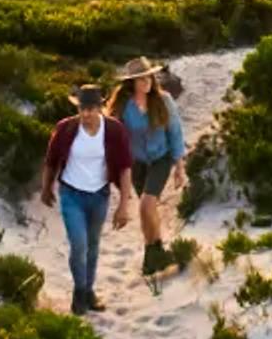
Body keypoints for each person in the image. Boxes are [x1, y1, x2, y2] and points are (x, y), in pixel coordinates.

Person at [37, 79, 132, 314]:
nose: (86, 113)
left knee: (93, 245)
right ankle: (79, 292)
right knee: (78, 245)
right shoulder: (66, 128)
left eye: (91, 108)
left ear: (100, 107)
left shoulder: (114, 130)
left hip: (99, 195)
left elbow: (125, 167)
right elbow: (51, 161)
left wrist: (123, 205)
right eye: (82, 108)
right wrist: (46, 187)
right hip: (72, 194)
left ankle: (89, 291)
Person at [116, 58, 189, 255]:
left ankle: (154, 253)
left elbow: (175, 134)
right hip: (137, 163)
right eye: (140, 79)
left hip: (161, 159)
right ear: (131, 83)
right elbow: (115, 137)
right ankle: (154, 252)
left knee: (146, 205)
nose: (146, 81)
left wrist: (179, 168)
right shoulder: (124, 107)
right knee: (147, 210)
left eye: (148, 77)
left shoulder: (164, 100)